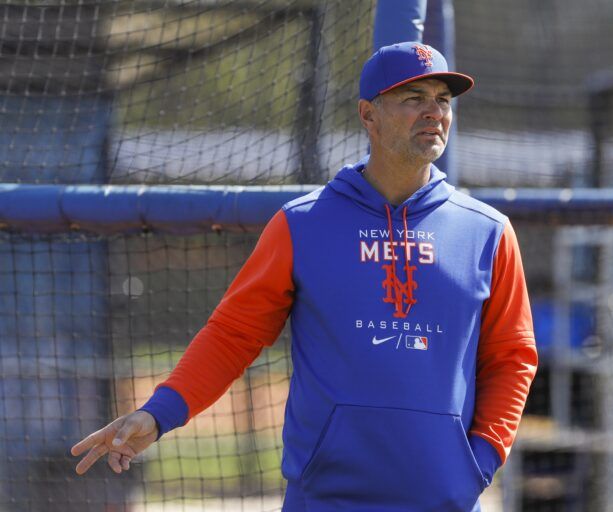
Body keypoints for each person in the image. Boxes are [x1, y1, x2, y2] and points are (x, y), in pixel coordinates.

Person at [71, 41, 538, 511]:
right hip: (325, 500)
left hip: (446, 501)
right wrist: (158, 415)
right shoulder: (301, 223)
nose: (434, 112)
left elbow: (512, 357)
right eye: (414, 98)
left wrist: (480, 461)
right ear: (368, 116)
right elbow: (233, 335)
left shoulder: (489, 232)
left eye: (443, 99)